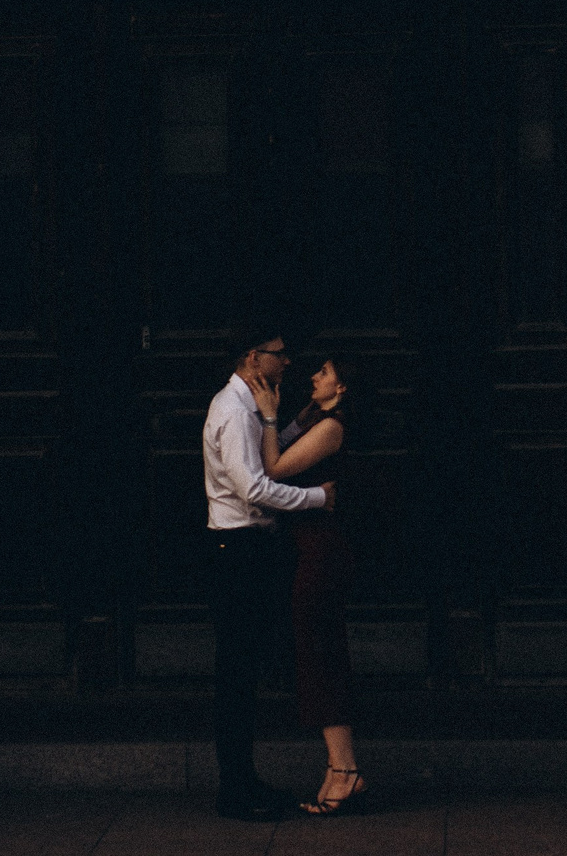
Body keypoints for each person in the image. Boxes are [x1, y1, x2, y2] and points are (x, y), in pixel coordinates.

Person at [201, 327, 332, 822]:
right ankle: (234, 789)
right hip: (237, 550)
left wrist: (290, 424)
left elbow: (268, 457)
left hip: (248, 550)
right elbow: (255, 487)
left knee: (246, 668)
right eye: (280, 354)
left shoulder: (252, 406)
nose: (288, 362)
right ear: (254, 357)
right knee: (236, 671)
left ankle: (245, 780)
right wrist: (320, 497)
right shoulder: (233, 411)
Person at [264, 353, 367, 816]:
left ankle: (345, 770)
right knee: (317, 652)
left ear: (342, 388)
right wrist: (293, 413)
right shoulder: (315, 418)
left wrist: (267, 417)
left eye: (325, 372)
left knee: (320, 653)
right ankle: (338, 768)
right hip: (310, 550)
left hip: (323, 553)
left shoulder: (332, 427)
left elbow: (275, 469)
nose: (313, 376)